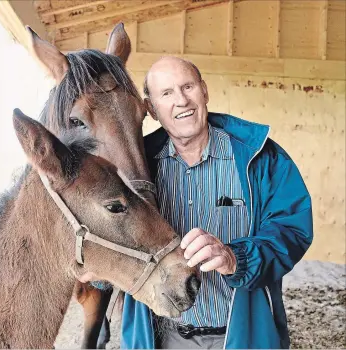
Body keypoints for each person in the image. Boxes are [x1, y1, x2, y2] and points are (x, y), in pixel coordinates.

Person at [120, 56, 313, 349]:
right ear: (152, 110)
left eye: (188, 86)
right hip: (164, 337)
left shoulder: (260, 157)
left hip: (243, 334)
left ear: (205, 91)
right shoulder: (136, 169)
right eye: (167, 93)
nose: (181, 100)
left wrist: (237, 258)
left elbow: (293, 229)